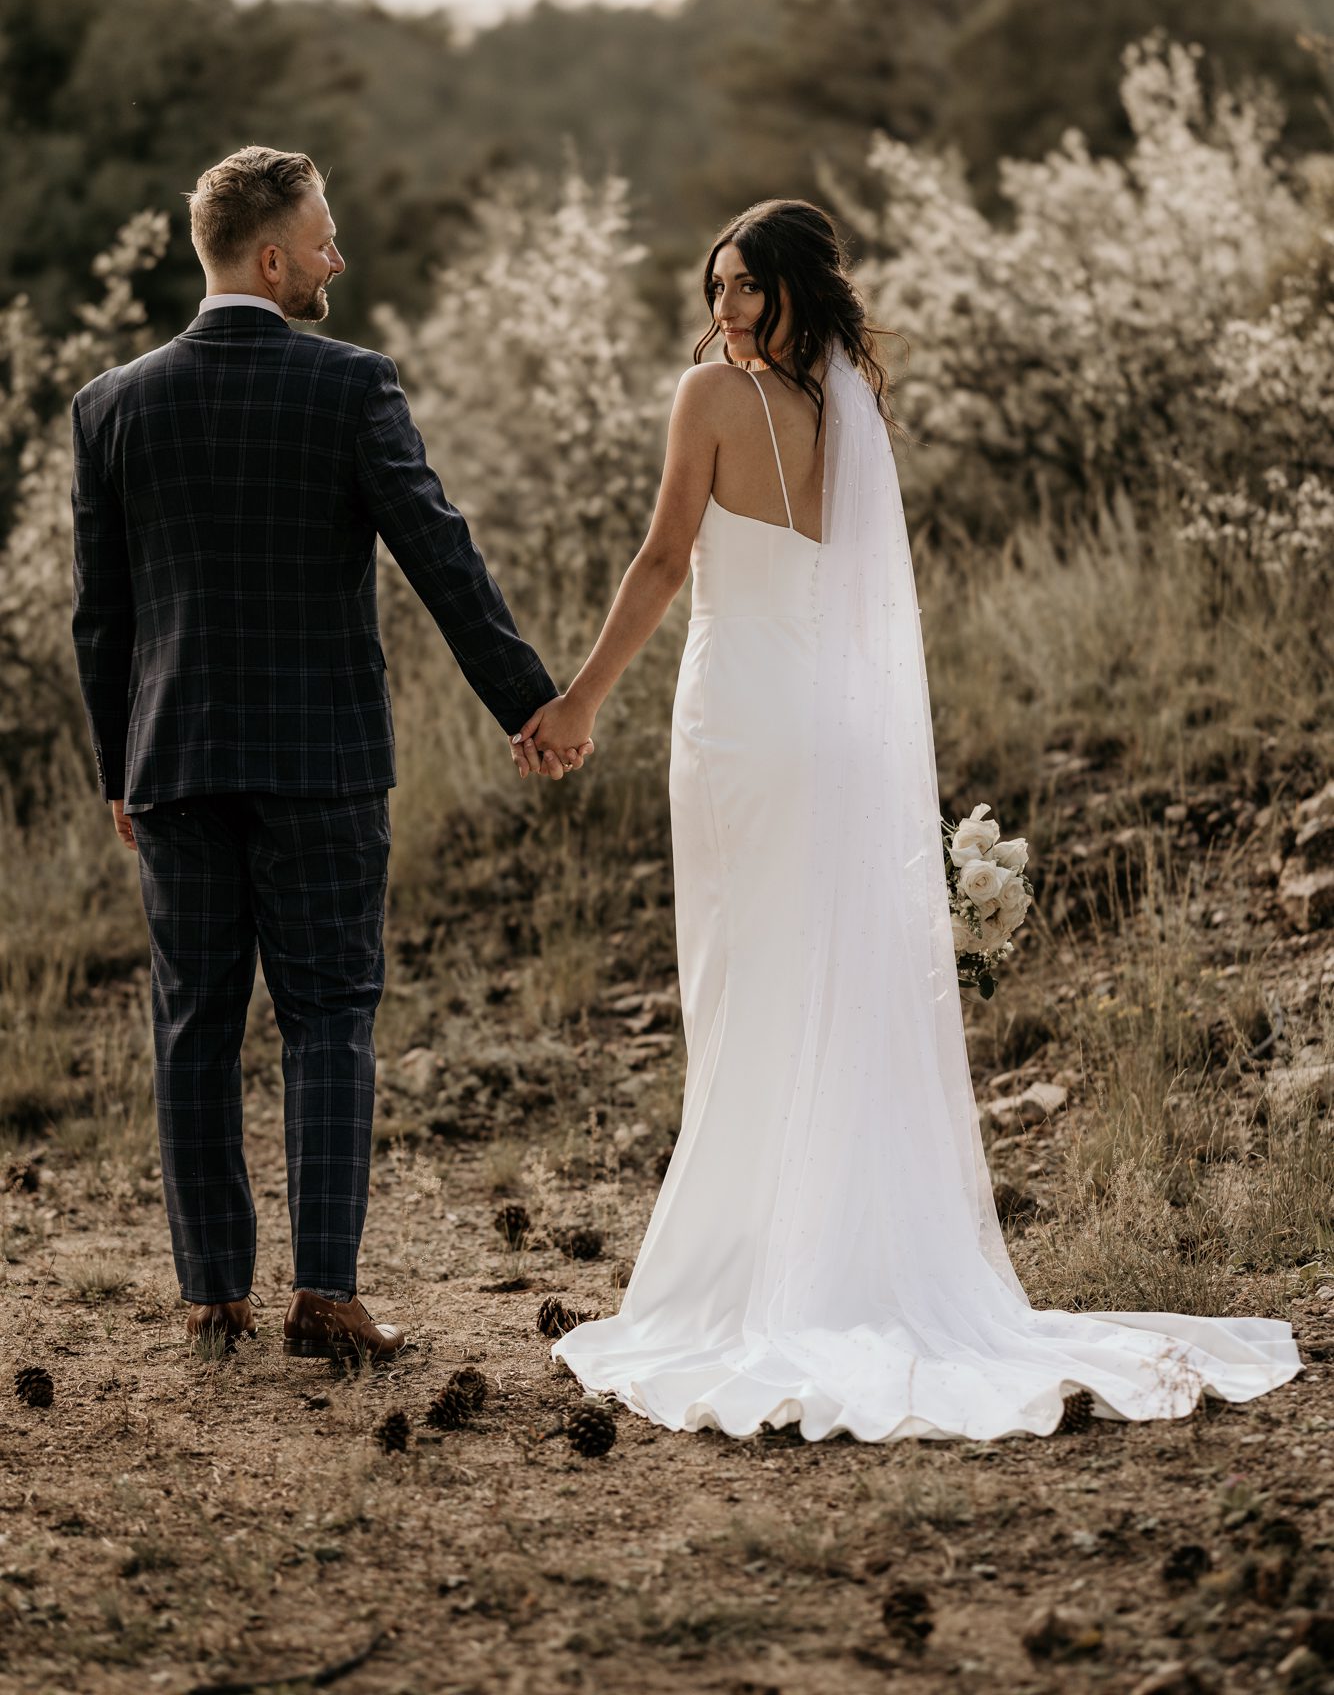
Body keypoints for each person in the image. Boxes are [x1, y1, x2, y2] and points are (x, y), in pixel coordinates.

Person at [516, 197, 1303, 1441]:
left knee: (744, 978)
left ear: (789, 293)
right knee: (820, 973)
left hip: (734, 721)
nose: (721, 312)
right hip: (829, 734)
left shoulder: (706, 399)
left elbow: (665, 559)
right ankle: (839, 1247)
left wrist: (577, 699)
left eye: (742, 289)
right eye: (713, 290)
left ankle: (755, 1264)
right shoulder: (854, 413)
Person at [70, 145, 588, 1361]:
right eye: (323, 238)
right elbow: (439, 553)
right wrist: (530, 700)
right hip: (322, 762)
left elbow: (102, 614)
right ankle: (328, 1294)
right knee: (331, 1016)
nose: (337, 258)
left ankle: (212, 1293)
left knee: (193, 1021)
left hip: (175, 760)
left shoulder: (111, 402)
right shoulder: (350, 385)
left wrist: (117, 767)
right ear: (270, 256)